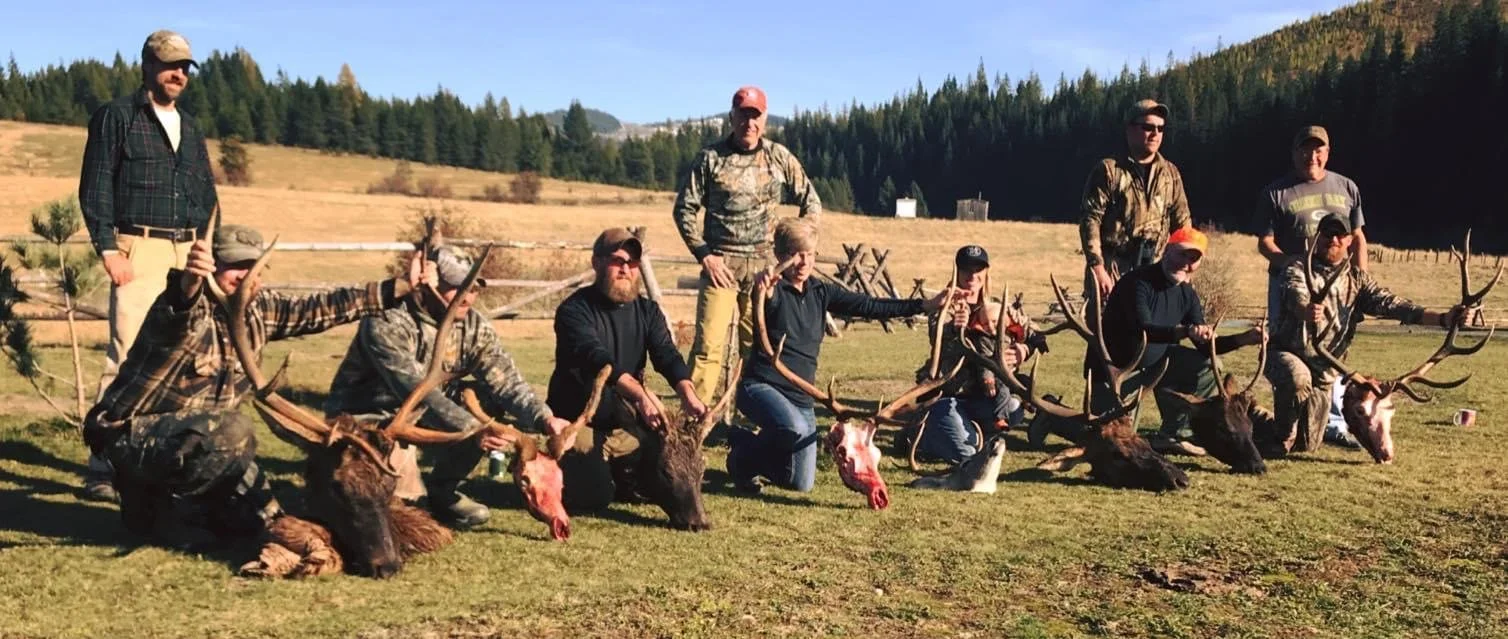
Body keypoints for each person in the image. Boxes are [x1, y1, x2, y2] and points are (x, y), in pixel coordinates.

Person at [81, 224, 419, 549]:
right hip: (132, 438)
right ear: (212, 265)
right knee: (233, 428)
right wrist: (188, 281)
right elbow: (178, 306)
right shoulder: (184, 310)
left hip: (204, 445)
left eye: (252, 266)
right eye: (233, 266)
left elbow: (321, 308)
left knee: (266, 519)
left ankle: (186, 513)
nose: (244, 275)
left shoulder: (260, 311)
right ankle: (166, 512)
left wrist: (399, 287)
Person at [322, 245, 571, 530]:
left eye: (475, 288)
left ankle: (442, 490)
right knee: (402, 513)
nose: (469, 296)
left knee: (486, 402)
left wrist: (544, 418)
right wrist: (471, 429)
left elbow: (507, 383)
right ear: (429, 283)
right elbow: (414, 391)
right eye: (457, 286)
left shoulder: (473, 326)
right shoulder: (388, 321)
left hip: (422, 416)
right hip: (369, 421)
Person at [78, 29, 220, 503]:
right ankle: (102, 466)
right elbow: (95, 186)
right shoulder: (116, 117)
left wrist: (207, 250)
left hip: (187, 255)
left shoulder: (192, 127)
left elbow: (205, 195)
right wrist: (108, 250)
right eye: (169, 65)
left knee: (186, 361)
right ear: (147, 66)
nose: (178, 74)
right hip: (138, 249)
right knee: (128, 356)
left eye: (185, 67)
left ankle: (162, 463)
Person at [727, 218, 954, 493]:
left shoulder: (821, 292)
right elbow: (763, 297)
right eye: (794, 255)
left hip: (800, 396)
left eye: (810, 255)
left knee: (800, 483)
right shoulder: (773, 291)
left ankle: (746, 459)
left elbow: (870, 305)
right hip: (760, 387)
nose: (803, 263)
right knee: (794, 427)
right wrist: (763, 288)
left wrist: (924, 305)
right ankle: (742, 447)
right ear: (779, 255)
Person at [1262, 213, 1464, 456]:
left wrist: (1442, 318)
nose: (1333, 239)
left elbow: (1395, 305)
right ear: (1317, 236)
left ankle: (1257, 418)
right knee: (1297, 382)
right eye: (1327, 233)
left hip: (1324, 373)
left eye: (1340, 235)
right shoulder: (1296, 266)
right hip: (1285, 355)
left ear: (1349, 240)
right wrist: (1305, 310)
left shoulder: (1357, 280)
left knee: (1307, 445)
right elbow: (1295, 294)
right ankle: (1280, 438)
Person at [672, 85, 822, 406]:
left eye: (755, 116)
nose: (749, 123)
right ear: (732, 116)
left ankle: (759, 419)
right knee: (708, 347)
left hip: (766, 274)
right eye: (743, 115)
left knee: (761, 348)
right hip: (721, 268)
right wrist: (705, 256)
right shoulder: (710, 159)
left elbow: (811, 202)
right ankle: (692, 425)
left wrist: (794, 253)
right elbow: (684, 209)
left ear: (764, 119)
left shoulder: (778, 157)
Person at [547, 228, 708, 510]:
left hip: (628, 425)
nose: (625, 269)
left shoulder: (648, 312)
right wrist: (641, 396)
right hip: (580, 422)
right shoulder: (574, 311)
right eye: (617, 260)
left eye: (632, 263)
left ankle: (622, 474)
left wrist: (688, 393)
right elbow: (598, 358)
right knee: (593, 499)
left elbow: (667, 356)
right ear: (596, 262)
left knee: (663, 476)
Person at [1088, 227, 1263, 452]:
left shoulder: (1187, 294)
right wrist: (1186, 331)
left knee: (1209, 364)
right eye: (1182, 254)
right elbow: (1145, 331)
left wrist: (1245, 338)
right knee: (1104, 434)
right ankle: (1051, 417)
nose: (1186, 262)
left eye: (1193, 258)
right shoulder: (1138, 282)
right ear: (1167, 250)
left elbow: (1205, 347)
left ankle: (1174, 433)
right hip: (1115, 373)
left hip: (1156, 369)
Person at [1254, 125, 1369, 449]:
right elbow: (1265, 242)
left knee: (1331, 350)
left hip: (1337, 284)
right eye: (1305, 149)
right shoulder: (1277, 192)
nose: (1312, 156)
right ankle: (1286, 423)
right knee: (1289, 349)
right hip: (1289, 284)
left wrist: (1358, 283)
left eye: (1318, 150)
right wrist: (1289, 265)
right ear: (1294, 153)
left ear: (1327, 153)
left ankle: (1331, 422)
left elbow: (1359, 237)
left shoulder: (1346, 187)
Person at [903, 245, 1040, 465]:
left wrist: (1023, 350)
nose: (973, 275)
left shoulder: (997, 307)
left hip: (985, 398)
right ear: (957, 271)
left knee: (1013, 409)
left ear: (986, 272)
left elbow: (1034, 335)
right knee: (965, 456)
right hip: (949, 398)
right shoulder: (944, 306)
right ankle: (921, 438)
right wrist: (956, 330)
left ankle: (964, 434)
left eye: (979, 269)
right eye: (966, 269)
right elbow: (937, 336)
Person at [1079, 98, 1193, 309]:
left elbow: (1183, 226)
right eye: (1148, 127)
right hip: (1112, 276)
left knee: (1152, 339)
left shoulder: (1170, 174)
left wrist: (1184, 266)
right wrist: (1097, 267)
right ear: (1130, 130)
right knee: (1107, 338)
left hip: (1155, 276)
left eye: (1160, 128)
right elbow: (1090, 220)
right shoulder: (1109, 170)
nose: (1155, 134)